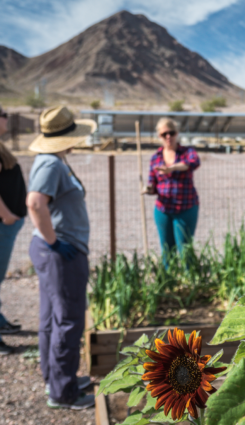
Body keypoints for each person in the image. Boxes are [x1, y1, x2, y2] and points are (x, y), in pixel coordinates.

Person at [26, 106, 96, 410]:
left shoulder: (55, 161)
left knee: (52, 319)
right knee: (68, 320)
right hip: (60, 252)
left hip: (58, 249)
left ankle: (55, 378)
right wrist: (54, 242)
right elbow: (35, 203)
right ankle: (63, 392)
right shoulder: (51, 165)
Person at [144, 118, 200, 265]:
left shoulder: (187, 152)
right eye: (164, 134)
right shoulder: (155, 158)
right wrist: (148, 189)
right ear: (159, 137)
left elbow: (193, 163)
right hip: (163, 209)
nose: (168, 137)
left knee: (185, 249)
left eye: (171, 133)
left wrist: (172, 168)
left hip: (186, 207)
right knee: (167, 250)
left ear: (177, 134)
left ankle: (191, 281)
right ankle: (169, 281)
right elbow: (153, 184)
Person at [0, 107, 26, 355]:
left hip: (8, 223)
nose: (6, 118)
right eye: (3, 115)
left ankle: (1, 324)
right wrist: (7, 215)